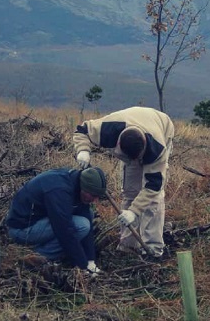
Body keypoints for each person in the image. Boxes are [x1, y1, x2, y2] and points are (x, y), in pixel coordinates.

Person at [73, 106, 174, 259]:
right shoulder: (109, 129)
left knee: (154, 200)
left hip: (162, 127)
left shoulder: (157, 149)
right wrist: (83, 150)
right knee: (130, 192)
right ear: (118, 143)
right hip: (133, 127)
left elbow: (153, 187)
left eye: (137, 159)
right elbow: (82, 130)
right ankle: (129, 245)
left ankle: (152, 248)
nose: (136, 163)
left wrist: (134, 211)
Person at [4, 167, 107, 275]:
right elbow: (65, 231)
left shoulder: (75, 182)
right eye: (93, 195)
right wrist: (83, 266)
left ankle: (49, 252)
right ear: (84, 187)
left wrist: (91, 261)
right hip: (21, 230)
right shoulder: (59, 191)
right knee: (82, 225)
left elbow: (85, 213)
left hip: (40, 221)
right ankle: (39, 256)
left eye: (98, 197)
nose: (95, 200)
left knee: (88, 215)